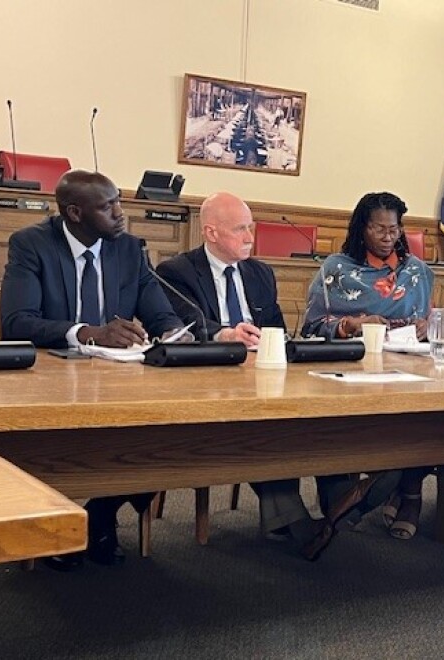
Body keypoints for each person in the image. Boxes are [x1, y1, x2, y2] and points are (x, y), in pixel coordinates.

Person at [155, 191, 369, 560]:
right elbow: (180, 325)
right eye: (240, 229)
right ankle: (294, 521)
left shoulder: (260, 272)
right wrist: (223, 334)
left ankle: (339, 497)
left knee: (315, 412)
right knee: (262, 431)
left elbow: (276, 330)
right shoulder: (177, 272)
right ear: (211, 232)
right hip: (210, 383)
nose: (250, 237)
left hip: (265, 376)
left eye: (251, 228)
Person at [0, 170, 189, 570]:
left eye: (119, 201)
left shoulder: (127, 249)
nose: (121, 214)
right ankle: (56, 525)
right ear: (74, 213)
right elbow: (18, 321)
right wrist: (86, 333)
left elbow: (159, 312)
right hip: (51, 382)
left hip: (120, 380)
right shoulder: (32, 245)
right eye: (108, 206)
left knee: (169, 433)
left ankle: (99, 514)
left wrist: (175, 333)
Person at [301, 191, 434, 540]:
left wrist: (425, 326)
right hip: (350, 371)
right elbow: (312, 327)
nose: (389, 237)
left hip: (407, 370)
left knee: (428, 417)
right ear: (362, 229)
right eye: (380, 230)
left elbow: (427, 321)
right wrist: (350, 325)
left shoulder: (417, 271)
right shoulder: (336, 269)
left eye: (395, 229)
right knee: (338, 428)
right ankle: (342, 495)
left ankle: (408, 492)